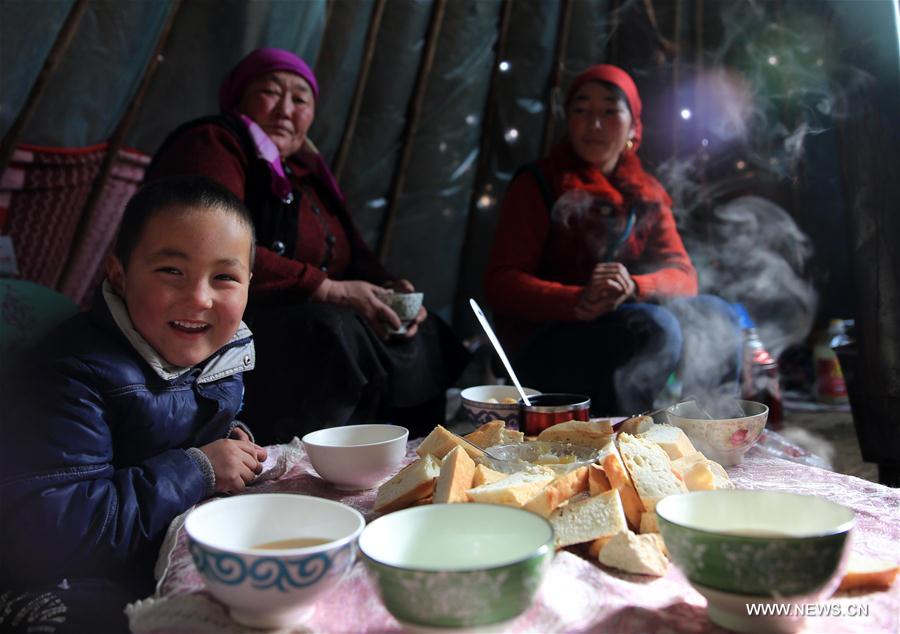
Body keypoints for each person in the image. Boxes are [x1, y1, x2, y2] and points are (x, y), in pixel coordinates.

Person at [145, 48, 469, 443]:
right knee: (332, 329)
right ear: (239, 99)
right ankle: (305, 458)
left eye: (300, 99)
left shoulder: (308, 174)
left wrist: (393, 290)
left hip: (302, 310)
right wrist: (328, 288)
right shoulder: (215, 142)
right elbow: (210, 248)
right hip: (234, 315)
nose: (285, 109)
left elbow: (355, 255)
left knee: (424, 327)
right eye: (269, 92)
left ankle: (414, 451)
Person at [0, 177, 267, 633]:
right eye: (171, 271)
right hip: (57, 577)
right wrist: (198, 469)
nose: (199, 298)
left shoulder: (216, 353)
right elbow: (50, 531)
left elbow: (188, 421)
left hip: (154, 548)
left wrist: (230, 440)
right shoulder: (73, 374)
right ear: (119, 276)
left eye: (224, 277)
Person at [485, 64, 741, 415]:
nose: (594, 124)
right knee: (653, 326)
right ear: (568, 121)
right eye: (581, 110)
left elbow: (684, 275)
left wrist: (634, 286)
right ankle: (625, 442)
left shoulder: (646, 192)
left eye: (609, 111)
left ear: (634, 126)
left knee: (719, 315)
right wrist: (577, 300)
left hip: (626, 325)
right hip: (548, 341)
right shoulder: (539, 183)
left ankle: (709, 436)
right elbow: (502, 283)